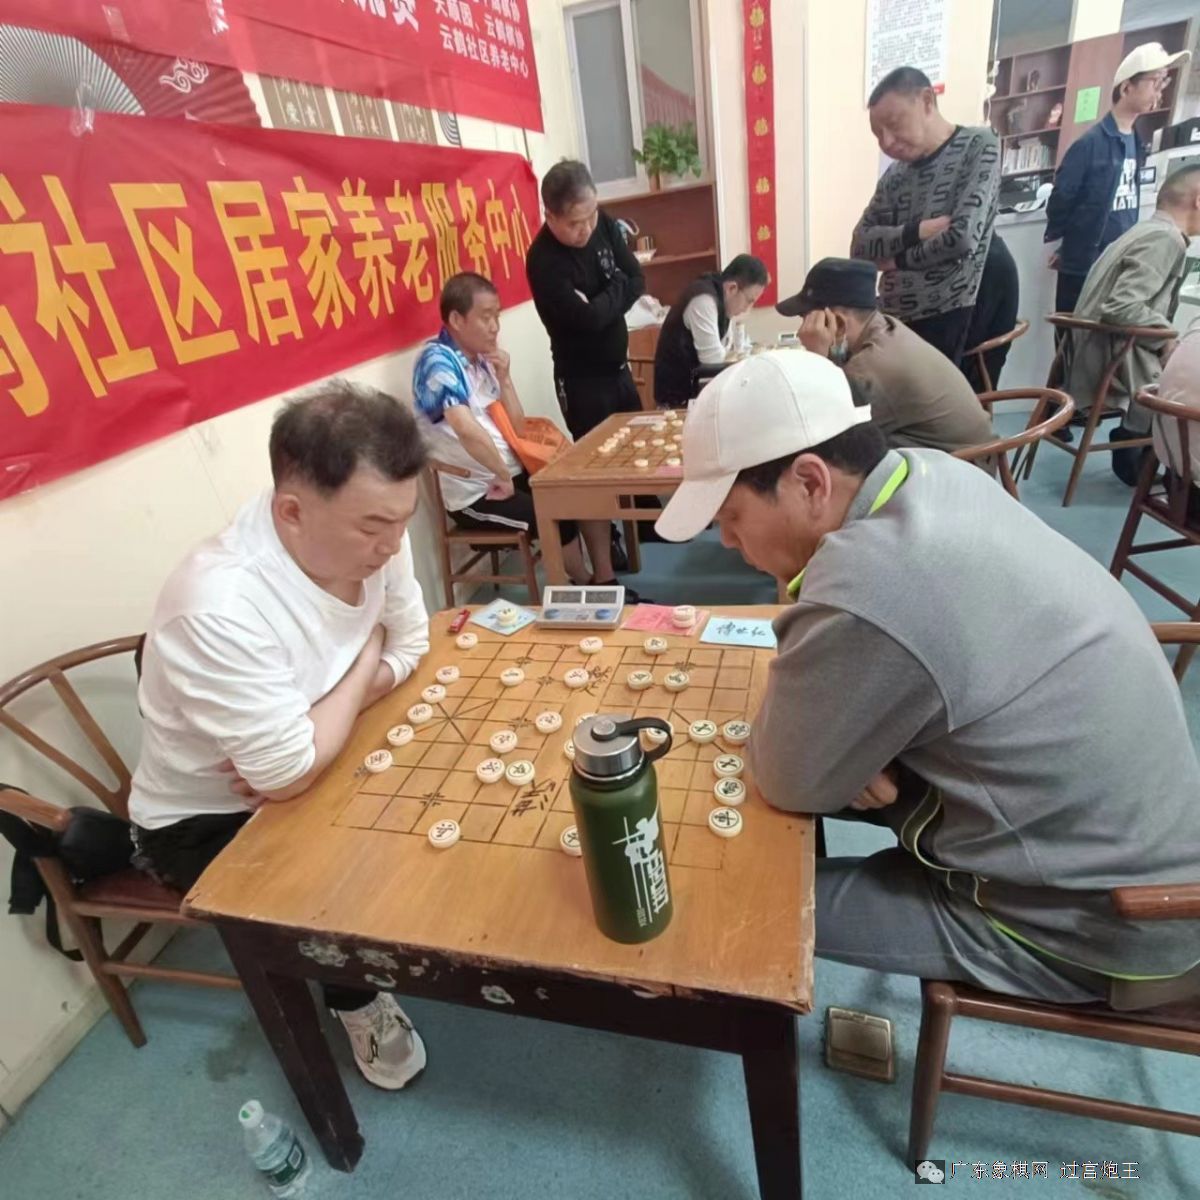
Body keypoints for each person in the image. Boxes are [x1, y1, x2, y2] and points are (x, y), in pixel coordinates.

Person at [654, 350, 1200, 1005]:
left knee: (727, 889)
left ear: (810, 483)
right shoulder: (929, 472)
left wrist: (838, 754)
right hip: (1127, 838)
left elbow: (785, 776)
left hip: (1098, 924)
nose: (725, 541)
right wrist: (847, 751)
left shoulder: (872, 579)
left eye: (731, 517)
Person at [129, 382, 431, 1090]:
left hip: (308, 757)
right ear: (292, 511)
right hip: (206, 820)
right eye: (373, 528)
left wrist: (320, 719)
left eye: (403, 521)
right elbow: (285, 775)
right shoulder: (218, 604)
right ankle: (355, 999)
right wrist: (366, 657)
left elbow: (414, 643)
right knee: (341, 881)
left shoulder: (378, 534)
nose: (393, 546)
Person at [413, 272, 591, 584]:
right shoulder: (436, 361)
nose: (495, 326)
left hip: (508, 476)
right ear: (456, 319)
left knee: (568, 495)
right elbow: (465, 429)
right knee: (550, 515)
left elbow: (518, 427)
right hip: (476, 493)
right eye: (486, 317)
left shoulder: (482, 360)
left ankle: (592, 581)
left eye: (497, 316)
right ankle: (577, 589)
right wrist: (503, 474)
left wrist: (505, 379)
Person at [526, 159, 645, 591]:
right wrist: (614, 292)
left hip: (619, 368)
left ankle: (636, 534)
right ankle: (605, 577)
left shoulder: (602, 223)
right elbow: (588, 320)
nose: (587, 229)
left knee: (638, 454)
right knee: (595, 475)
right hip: (581, 381)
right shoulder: (544, 261)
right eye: (575, 223)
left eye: (592, 216)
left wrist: (603, 297)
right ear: (550, 216)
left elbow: (637, 278)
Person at [850, 67, 1000, 367]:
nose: (886, 142)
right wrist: (915, 232)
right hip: (892, 319)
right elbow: (860, 246)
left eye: (894, 125)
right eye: (878, 134)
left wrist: (895, 261)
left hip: (949, 310)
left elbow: (960, 239)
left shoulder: (978, 145)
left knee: (931, 396)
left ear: (927, 101)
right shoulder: (895, 176)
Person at [1063, 163, 1200, 484]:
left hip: (1094, 348)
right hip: (1109, 354)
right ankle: (1143, 448)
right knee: (1187, 381)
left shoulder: (1144, 230)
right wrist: (1167, 339)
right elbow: (1121, 307)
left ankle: (1140, 444)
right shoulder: (1165, 239)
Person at [779, 257, 992, 454]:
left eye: (807, 319)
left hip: (962, 464)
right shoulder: (883, 326)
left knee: (831, 456)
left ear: (840, 322)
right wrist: (830, 352)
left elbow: (824, 427)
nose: (802, 330)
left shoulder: (871, 365)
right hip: (959, 447)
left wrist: (816, 357)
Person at [1045, 42, 1191, 315]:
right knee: (1073, 334)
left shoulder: (1135, 142)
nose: (1160, 91)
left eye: (1164, 82)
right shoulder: (1090, 144)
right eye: (1155, 81)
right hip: (1085, 265)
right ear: (1126, 88)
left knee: (1107, 332)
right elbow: (1062, 200)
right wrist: (1072, 245)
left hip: (1119, 261)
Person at [653, 254, 769, 407]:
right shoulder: (703, 300)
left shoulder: (723, 301)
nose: (748, 308)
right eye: (749, 301)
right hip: (676, 401)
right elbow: (713, 362)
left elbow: (727, 350)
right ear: (732, 288)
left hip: (695, 393)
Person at [961, 233, 1019, 391]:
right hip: (969, 364)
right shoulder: (987, 248)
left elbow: (967, 338)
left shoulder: (989, 260)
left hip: (971, 378)